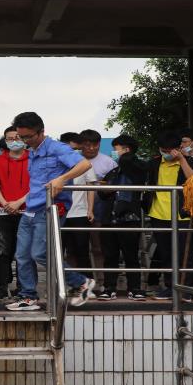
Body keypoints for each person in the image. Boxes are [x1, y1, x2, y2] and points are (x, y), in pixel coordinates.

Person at [5, 112, 94, 311]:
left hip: (49, 209)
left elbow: (84, 164)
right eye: (22, 137)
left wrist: (62, 179)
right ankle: (28, 297)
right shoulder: (32, 152)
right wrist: (20, 201)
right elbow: (37, 185)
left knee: (40, 253)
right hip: (30, 209)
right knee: (22, 255)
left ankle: (81, 282)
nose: (26, 141)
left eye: (29, 136)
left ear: (41, 131)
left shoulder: (57, 148)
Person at [143, 131, 193, 300]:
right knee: (165, 253)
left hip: (182, 214)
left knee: (185, 254)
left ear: (179, 148)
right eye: (164, 150)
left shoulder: (192, 162)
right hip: (158, 214)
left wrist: (182, 159)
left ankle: (186, 289)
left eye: (170, 151)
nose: (167, 154)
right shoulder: (154, 163)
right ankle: (170, 287)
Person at [99, 134, 147, 300]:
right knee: (110, 256)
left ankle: (135, 288)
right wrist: (105, 189)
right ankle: (109, 288)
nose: (114, 152)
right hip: (109, 219)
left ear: (126, 150)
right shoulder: (113, 172)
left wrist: (127, 159)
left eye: (116, 149)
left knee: (131, 256)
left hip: (129, 219)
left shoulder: (138, 169)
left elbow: (140, 174)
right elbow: (102, 194)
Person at [0, 126, 30, 301]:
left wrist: (18, 202)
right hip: (2, 211)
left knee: (24, 252)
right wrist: (6, 204)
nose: (14, 141)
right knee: (2, 251)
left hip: (26, 211)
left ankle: (24, 288)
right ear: (5, 141)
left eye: (17, 137)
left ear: (24, 139)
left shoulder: (33, 159)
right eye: (10, 138)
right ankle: (2, 287)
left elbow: (37, 186)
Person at [60, 133, 97, 295]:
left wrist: (90, 209)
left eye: (76, 149)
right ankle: (60, 286)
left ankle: (87, 286)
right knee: (58, 253)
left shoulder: (84, 163)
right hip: (59, 213)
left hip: (79, 213)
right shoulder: (55, 163)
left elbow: (90, 188)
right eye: (71, 149)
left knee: (82, 251)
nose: (74, 152)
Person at [80, 129, 117, 282]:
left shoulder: (108, 162)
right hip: (77, 211)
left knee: (99, 247)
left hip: (100, 211)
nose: (92, 148)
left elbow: (115, 186)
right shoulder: (74, 160)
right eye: (88, 145)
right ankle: (79, 282)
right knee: (77, 249)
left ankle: (101, 281)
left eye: (95, 145)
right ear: (81, 145)